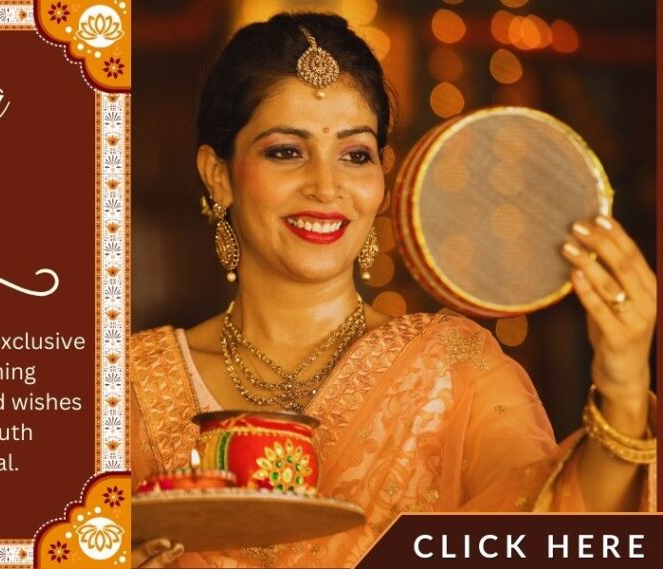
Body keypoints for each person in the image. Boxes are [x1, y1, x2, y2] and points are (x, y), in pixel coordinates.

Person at [130, 12, 657, 568]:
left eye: (355, 155)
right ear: (218, 173)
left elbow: (558, 534)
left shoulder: (454, 368)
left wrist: (623, 384)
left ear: (382, 175)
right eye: (286, 150)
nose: (327, 186)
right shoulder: (128, 385)